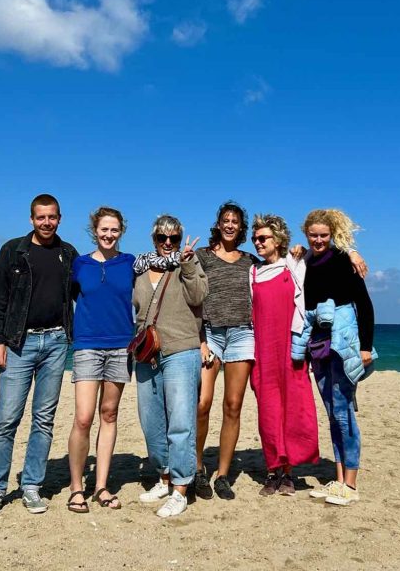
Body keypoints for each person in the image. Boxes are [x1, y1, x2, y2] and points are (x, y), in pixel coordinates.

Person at [0, 194, 78, 518]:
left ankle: (32, 486)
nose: (46, 222)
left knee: (44, 420)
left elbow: (85, 293)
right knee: (7, 419)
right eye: (40, 217)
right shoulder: (12, 251)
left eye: (52, 217)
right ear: (32, 219)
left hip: (56, 344)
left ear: (59, 218)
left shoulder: (68, 254)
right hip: (18, 344)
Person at [290, 208, 376, 507]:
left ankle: (350, 483)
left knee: (343, 410)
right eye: (313, 235)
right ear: (306, 233)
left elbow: (364, 305)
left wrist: (366, 346)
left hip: (343, 343)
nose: (318, 240)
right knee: (331, 411)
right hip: (318, 342)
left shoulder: (343, 260)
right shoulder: (306, 262)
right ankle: (338, 479)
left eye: (323, 235)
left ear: (332, 234)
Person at [133, 215, 207, 518]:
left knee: (180, 423)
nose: (167, 243)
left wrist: (187, 263)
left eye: (173, 238)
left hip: (180, 350)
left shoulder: (187, 263)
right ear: (153, 239)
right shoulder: (138, 269)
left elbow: (199, 296)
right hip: (146, 353)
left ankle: (180, 488)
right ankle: (163, 477)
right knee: (151, 422)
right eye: (162, 238)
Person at [64, 207, 136, 513]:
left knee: (109, 414)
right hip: (87, 346)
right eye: (104, 229)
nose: (109, 235)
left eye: (114, 230)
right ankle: (76, 487)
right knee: (83, 417)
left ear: (121, 232)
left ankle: (101, 486)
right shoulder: (79, 264)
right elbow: (64, 298)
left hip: (122, 346)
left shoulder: (131, 263)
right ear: (95, 230)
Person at [249, 213, 320, 496]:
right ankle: (272, 470)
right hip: (263, 351)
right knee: (268, 412)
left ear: (277, 240)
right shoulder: (252, 273)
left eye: (263, 238)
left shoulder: (295, 265)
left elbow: (326, 255)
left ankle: (289, 472)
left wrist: (352, 253)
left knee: (294, 409)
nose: (258, 242)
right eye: (255, 238)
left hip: (291, 350)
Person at [193, 201, 257, 500]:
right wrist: (200, 339)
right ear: (218, 225)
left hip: (243, 334)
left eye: (235, 221)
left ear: (241, 228)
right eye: (225, 220)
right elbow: (192, 298)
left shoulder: (250, 261)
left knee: (233, 405)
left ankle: (222, 474)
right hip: (211, 335)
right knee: (202, 403)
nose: (230, 225)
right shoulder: (203, 257)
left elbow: (284, 269)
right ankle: (197, 468)